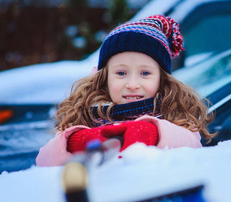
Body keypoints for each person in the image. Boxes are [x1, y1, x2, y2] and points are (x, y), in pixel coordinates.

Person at [36, 15, 214, 167]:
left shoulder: (173, 113)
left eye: (145, 73)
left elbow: (192, 144)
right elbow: (43, 161)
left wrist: (152, 132)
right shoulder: (87, 113)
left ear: (162, 79)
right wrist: (74, 142)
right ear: (104, 77)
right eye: (121, 73)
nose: (132, 84)